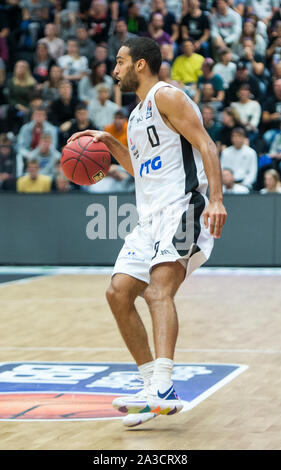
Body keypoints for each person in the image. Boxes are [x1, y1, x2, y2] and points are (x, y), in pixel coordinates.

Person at [67, 37, 227, 428]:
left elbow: (206, 144)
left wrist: (217, 199)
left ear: (141, 65)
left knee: (158, 292)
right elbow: (142, 169)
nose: (115, 69)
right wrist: (108, 144)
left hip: (184, 207)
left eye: (120, 62)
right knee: (118, 293)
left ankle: (165, 386)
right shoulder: (138, 115)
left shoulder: (167, 96)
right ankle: (148, 385)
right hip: (149, 218)